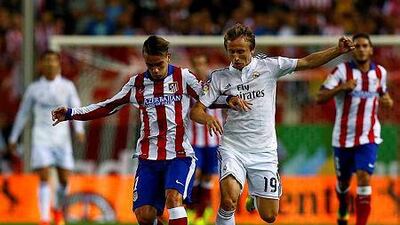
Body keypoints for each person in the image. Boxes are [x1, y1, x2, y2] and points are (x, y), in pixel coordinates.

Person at [51, 35, 234, 225]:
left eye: (159, 64)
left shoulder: (183, 77)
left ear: (168, 57)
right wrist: (72, 113)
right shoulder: (136, 84)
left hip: (179, 155)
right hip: (148, 159)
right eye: (150, 65)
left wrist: (229, 100)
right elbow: (107, 106)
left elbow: (207, 98)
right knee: (145, 215)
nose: (155, 70)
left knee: (173, 199)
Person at [189, 23, 355, 224]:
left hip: (264, 151)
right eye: (231, 52)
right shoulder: (219, 77)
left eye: (240, 51)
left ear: (252, 49)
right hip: (233, 148)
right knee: (229, 200)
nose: (235, 57)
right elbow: (196, 111)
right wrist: (207, 118)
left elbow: (307, 62)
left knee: (269, 216)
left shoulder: (270, 66)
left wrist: (337, 50)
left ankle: (258, 193)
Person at [316, 33, 393, 225]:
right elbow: (320, 97)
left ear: (371, 49)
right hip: (343, 138)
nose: (361, 49)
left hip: (369, 136)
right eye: (357, 46)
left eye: (365, 45)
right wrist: (341, 88)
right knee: (343, 184)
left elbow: (385, 96)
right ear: (353, 50)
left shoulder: (380, 73)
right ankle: (343, 205)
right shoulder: (341, 71)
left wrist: (388, 101)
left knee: (364, 177)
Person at [8, 50, 85, 225]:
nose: (50, 64)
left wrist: (79, 129)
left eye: (53, 60)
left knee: (64, 180)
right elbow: (23, 113)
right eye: (47, 60)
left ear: (59, 64)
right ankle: (44, 218)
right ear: (41, 65)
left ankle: (57, 209)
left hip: (62, 139)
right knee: (44, 176)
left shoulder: (67, 86)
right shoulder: (34, 89)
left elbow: (77, 107)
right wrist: (13, 137)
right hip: (41, 137)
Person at [186, 54, 224, 225]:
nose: (200, 67)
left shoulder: (218, 84)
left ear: (207, 64)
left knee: (208, 177)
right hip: (194, 140)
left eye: (202, 63)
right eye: (196, 64)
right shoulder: (188, 87)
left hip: (213, 140)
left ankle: (204, 212)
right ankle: (190, 211)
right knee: (196, 174)